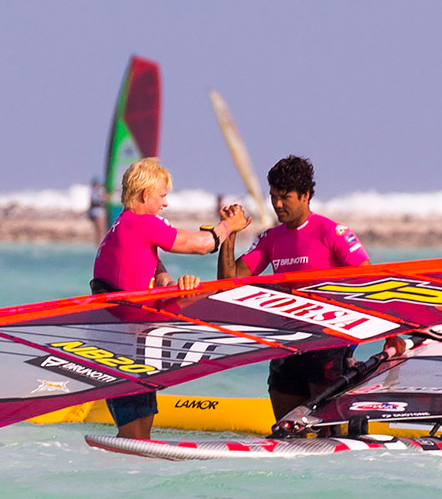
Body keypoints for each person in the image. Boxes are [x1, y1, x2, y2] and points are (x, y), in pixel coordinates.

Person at [217, 155, 391, 423]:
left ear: (305, 195)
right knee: (285, 433)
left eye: (284, 196)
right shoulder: (270, 238)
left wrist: (391, 334)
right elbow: (228, 281)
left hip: (328, 347)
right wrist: (229, 233)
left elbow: (369, 284)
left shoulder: (332, 232)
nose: (277, 204)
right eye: (273, 196)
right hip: (287, 348)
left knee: (327, 433)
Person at [92, 158, 248, 440]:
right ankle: (127, 477)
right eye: (162, 196)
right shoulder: (141, 223)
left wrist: (172, 284)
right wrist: (228, 226)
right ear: (145, 195)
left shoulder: (122, 227)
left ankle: (136, 474)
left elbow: (150, 269)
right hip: (124, 343)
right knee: (133, 435)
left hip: (123, 338)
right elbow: (202, 245)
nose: (165, 204)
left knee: (140, 431)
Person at [87, 177, 107, 245]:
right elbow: (101, 199)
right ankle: (100, 245)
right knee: (100, 230)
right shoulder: (96, 192)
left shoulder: (94, 191)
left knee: (99, 231)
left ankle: (99, 244)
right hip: (98, 213)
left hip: (97, 212)